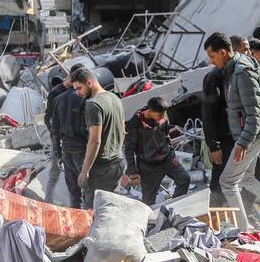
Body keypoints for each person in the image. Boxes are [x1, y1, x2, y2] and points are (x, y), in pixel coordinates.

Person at [206, 32, 260, 229]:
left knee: (227, 181)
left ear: (223, 52)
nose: (211, 61)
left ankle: (243, 229)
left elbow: (255, 115)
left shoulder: (241, 72)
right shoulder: (233, 70)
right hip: (245, 135)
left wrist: (243, 142)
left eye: (212, 56)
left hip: (250, 135)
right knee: (245, 179)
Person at [69, 67, 126, 207]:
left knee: (93, 212)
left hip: (101, 170)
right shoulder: (115, 98)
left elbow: (95, 141)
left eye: (79, 88)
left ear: (89, 83)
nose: (78, 93)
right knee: (111, 209)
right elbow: (123, 131)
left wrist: (84, 171)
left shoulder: (93, 105)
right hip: (118, 163)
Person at [124, 96, 191, 205]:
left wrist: (171, 152)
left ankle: (174, 209)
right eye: (160, 115)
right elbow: (129, 149)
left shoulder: (162, 117)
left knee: (184, 179)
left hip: (167, 158)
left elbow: (166, 135)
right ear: (150, 111)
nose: (162, 117)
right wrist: (132, 172)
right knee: (148, 202)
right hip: (148, 166)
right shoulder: (135, 123)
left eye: (164, 114)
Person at [47, 76, 91, 208]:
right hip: (81, 150)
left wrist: (58, 152)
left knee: (74, 192)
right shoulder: (84, 98)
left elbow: (54, 128)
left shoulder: (57, 98)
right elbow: (87, 129)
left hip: (66, 150)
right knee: (88, 189)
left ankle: (76, 219)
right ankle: (89, 222)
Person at [201, 68, 235, 206]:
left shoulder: (243, 71)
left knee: (255, 171)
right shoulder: (214, 77)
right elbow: (208, 114)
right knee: (220, 175)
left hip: (239, 136)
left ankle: (242, 209)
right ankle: (215, 212)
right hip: (224, 137)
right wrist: (214, 145)